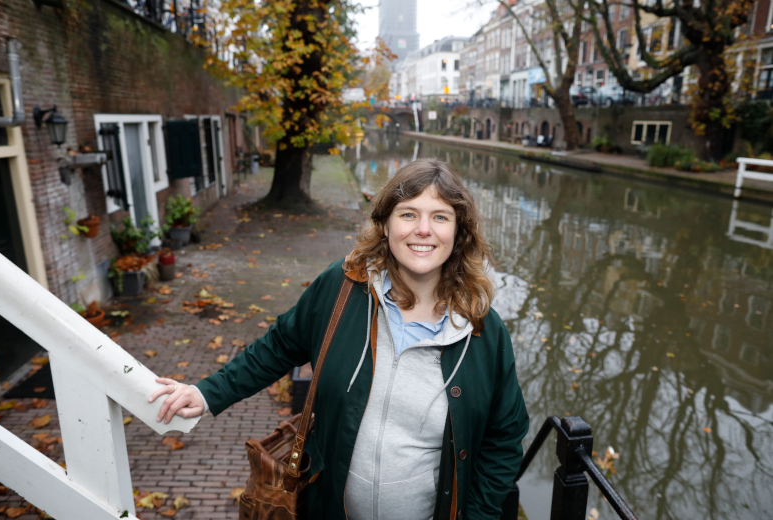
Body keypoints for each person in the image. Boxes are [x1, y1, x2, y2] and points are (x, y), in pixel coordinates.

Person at [148, 158, 529, 520]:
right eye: (408, 214)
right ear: (385, 224)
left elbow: (504, 438)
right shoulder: (342, 289)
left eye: (440, 217)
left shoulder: (483, 332)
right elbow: (278, 346)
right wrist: (207, 392)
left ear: (458, 232)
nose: (423, 230)